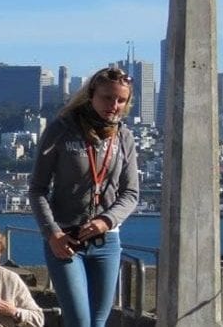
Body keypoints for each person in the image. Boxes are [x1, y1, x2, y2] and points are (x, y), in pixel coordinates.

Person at [27, 66, 140, 327]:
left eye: (121, 100)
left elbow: (131, 193)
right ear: (91, 95)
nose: (114, 105)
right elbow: (37, 189)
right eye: (107, 98)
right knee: (79, 321)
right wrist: (52, 233)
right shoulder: (61, 129)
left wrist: (107, 221)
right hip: (65, 239)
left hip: (106, 241)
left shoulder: (124, 137)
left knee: (98, 322)